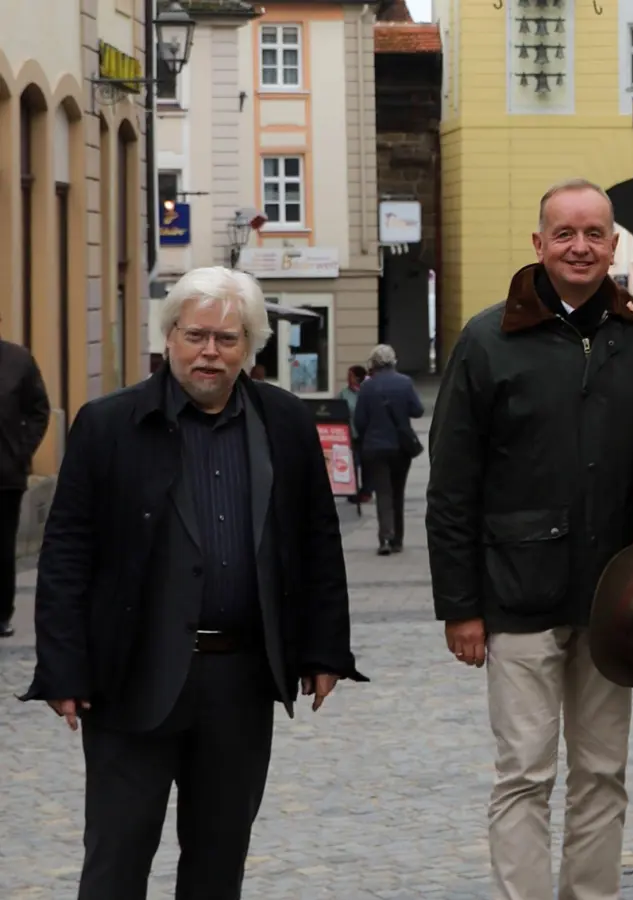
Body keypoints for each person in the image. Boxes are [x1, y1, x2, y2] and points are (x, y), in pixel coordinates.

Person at [21, 265, 366, 900]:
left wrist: (323, 650)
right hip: (131, 675)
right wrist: (62, 668)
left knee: (218, 862)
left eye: (227, 339)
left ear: (249, 347)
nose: (210, 352)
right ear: (169, 337)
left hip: (238, 678)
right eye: (196, 335)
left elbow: (316, 538)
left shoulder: (285, 422)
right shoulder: (107, 424)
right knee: (117, 859)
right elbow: (67, 552)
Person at [426, 177, 633, 900]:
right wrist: (461, 605)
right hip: (516, 592)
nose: (580, 247)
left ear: (615, 245)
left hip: (617, 592)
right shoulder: (489, 340)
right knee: (524, 772)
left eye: (594, 234)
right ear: (539, 243)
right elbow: (452, 484)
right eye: (565, 233)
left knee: (602, 771)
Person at [0, 336, 50, 638]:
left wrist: (21, 451)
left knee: (2, 548)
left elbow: (39, 410)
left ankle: (1, 614)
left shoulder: (17, 360)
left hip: (4, 475)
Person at [352, 346, 422, 554]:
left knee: (383, 492)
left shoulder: (366, 387)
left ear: (373, 363)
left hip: (375, 447)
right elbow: (417, 411)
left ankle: (384, 538)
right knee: (398, 493)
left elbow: (360, 421)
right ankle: (398, 540)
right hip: (400, 448)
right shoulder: (405, 382)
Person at [341, 365, 372, 504]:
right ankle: (352, 490)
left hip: (366, 434)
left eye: (351, 375)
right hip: (351, 434)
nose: (348, 378)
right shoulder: (344, 393)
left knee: (367, 464)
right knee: (353, 462)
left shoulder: (368, 391)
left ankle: (366, 491)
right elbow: (337, 409)